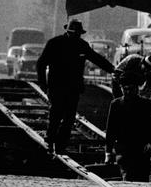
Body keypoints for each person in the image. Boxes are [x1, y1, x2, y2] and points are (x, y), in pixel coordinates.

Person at [37, 19, 115, 154]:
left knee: (69, 117)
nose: (77, 36)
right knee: (56, 114)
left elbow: (96, 58)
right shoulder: (55, 43)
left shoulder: (81, 45)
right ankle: (50, 141)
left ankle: (60, 146)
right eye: (76, 33)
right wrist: (43, 85)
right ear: (69, 32)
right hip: (57, 87)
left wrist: (112, 69)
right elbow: (41, 64)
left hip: (72, 88)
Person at [105, 80, 151, 181]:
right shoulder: (116, 104)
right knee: (128, 178)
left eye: (131, 89)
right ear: (121, 88)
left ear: (137, 89)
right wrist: (108, 152)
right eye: (125, 89)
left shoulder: (146, 104)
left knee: (143, 179)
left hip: (142, 150)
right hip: (124, 151)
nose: (128, 92)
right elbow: (110, 130)